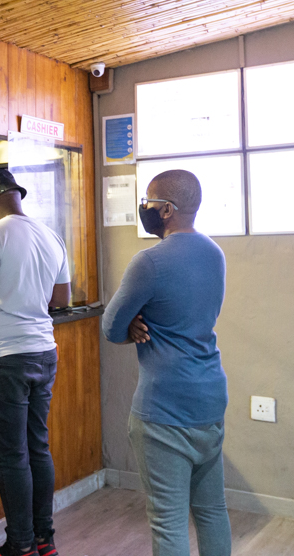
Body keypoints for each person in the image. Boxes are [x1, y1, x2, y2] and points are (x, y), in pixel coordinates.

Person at [101, 169, 231, 556]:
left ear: (168, 210)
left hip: (164, 408)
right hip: (210, 397)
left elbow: (110, 327)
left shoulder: (149, 262)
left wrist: (134, 325)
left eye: (149, 202)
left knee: (168, 520)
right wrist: (143, 320)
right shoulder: (214, 252)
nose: (144, 208)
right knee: (212, 510)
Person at [0, 168, 71, 556]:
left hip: (1, 357)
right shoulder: (50, 235)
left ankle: (20, 547)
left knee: (11, 455)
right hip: (43, 352)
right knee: (38, 447)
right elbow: (61, 300)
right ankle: (44, 540)